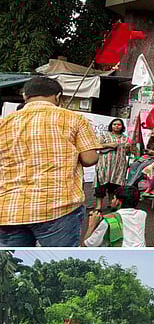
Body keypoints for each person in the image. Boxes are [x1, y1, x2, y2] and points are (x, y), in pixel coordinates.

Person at [0, 76, 101, 247]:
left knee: (12, 269)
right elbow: (90, 158)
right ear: (58, 96)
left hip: (10, 209)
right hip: (59, 207)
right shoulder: (75, 119)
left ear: (25, 96)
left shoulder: (4, 123)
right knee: (60, 265)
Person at [95, 119, 130, 210]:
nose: (117, 126)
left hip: (118, 166)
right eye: (114, 124)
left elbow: (128, 152)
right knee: (101, 185)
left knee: (115, 186)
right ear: (111, 125)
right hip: (104, 164)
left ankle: (112, 204)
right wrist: (109, 145)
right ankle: (98, 206)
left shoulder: (125, 138)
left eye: (119, 124)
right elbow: (96, 145)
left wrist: (128, 148)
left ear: (122, 126)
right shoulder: (104, 135)